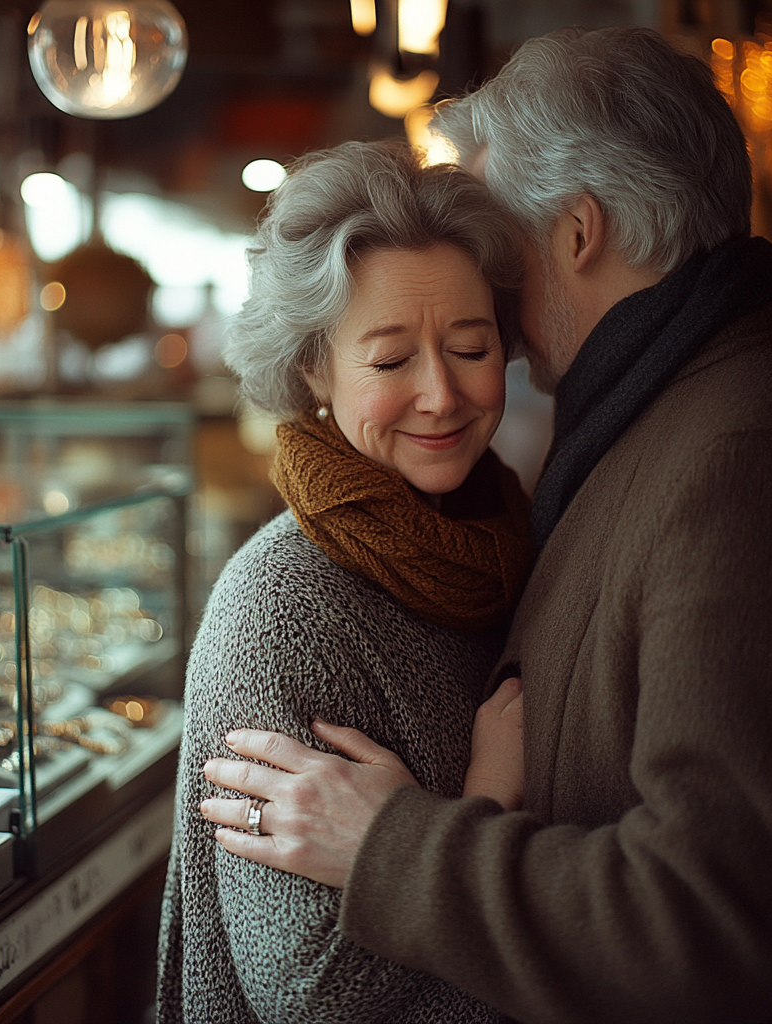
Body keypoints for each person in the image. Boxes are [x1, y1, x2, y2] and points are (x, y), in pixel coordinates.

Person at [200, 26, 772, 1024]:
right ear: (316, 367)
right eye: (388, 357)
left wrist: (404, 840)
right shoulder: (670, 423)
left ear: (575, 232)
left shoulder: (747, 451)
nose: (497, 302)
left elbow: (709, 918)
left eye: (498, 246)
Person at [156, 139, 538, 1023]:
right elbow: (309, 994)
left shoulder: (508, 548)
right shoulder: (279, 609)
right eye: (391, 360)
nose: (442, 394)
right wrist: (481, 802)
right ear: (313, 372)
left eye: (471, 346)